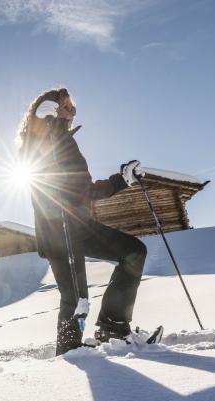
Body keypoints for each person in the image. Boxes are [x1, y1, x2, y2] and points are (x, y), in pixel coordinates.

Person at [18, 88, 147, 355]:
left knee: (133, 251)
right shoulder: (36, 139)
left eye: (74, 109)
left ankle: (113, 326)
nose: (74, 113)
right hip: (58, 231)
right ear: (49, 111)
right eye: (68, 108)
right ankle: (69, 352)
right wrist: (50, 125)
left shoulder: (66, 141)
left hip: (81, 225)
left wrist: (121, 180)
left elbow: (85, 188)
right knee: (77, 298)